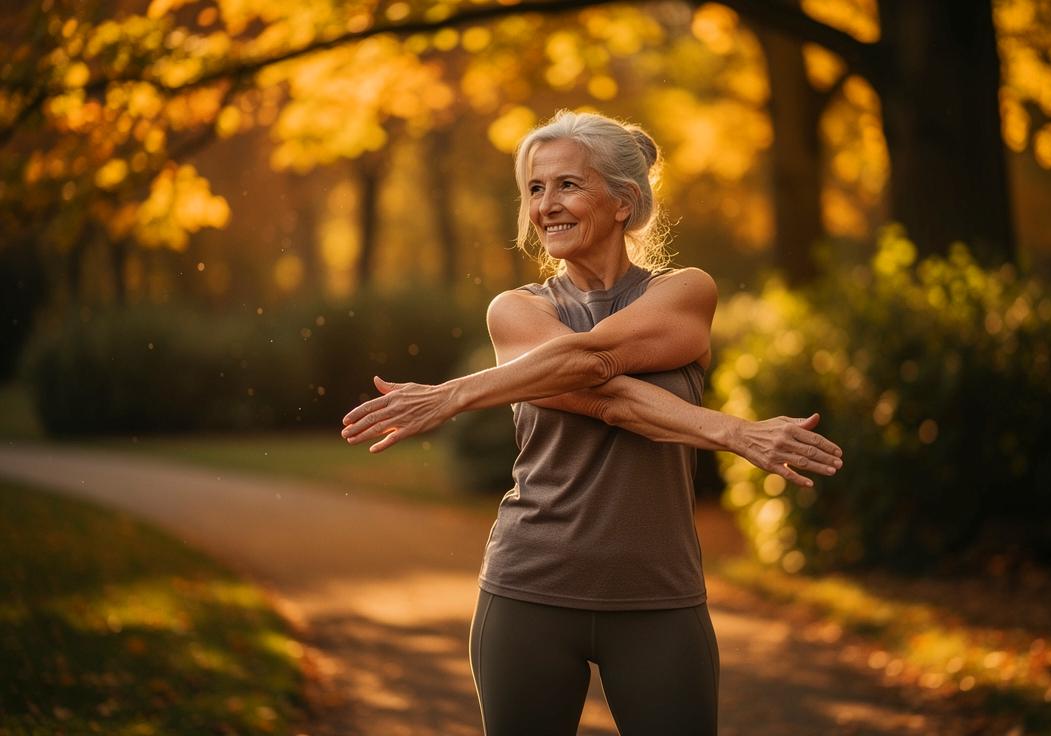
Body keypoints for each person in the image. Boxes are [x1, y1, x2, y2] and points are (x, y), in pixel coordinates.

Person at [341, 110, 843, 735]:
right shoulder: (518, 311)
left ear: (624, 202)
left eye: (567, 185)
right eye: (534, 188)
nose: (546, 205)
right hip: (528, 589)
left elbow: (593, 361)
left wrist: (453, 395)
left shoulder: (685, 292)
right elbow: (602, 392)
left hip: (660, 595)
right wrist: (735, 432)